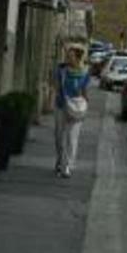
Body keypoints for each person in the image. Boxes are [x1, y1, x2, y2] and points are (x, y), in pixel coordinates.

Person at [54, 44, 90, 178]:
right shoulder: (61, 70)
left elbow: (85, 91)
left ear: (78, 57)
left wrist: (85, 107)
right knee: (59, 137)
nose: (68, 58)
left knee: (71, 138)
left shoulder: (85, 72)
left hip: (76, 107)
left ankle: (67, 166)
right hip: (61, 106)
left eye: (71, 56)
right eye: (67, 56)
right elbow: (57, 86)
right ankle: (59, 161)